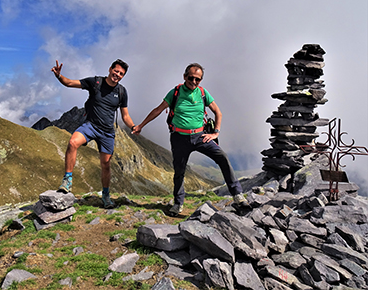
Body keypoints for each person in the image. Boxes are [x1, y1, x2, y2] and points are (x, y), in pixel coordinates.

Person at [133, 63, 248, 216]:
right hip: (179, 138)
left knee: (222, 157)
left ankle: (238, 196)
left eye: (198, 79)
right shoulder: (175, 92)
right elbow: (158, 110)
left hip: (201, 136)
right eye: (191, 78)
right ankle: (178, 204)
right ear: (184, 76)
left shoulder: (202, 93)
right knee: (179, 171)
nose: (194, 82)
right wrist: (141, 125)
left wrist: (216, 133)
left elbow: (218, 112)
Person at [51, 59, 136, 208]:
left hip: (107, 132)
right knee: (73, 142)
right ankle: (67, 180)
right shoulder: (95, 82)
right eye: (116, 71)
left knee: (106, 165)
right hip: (90, 126)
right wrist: (59, 76)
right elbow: (70, 83)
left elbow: (125, 116)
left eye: (121, 74)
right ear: (110, 69)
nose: (117, 75)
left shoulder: (122, 92)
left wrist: (133, 126)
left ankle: (105, 195)